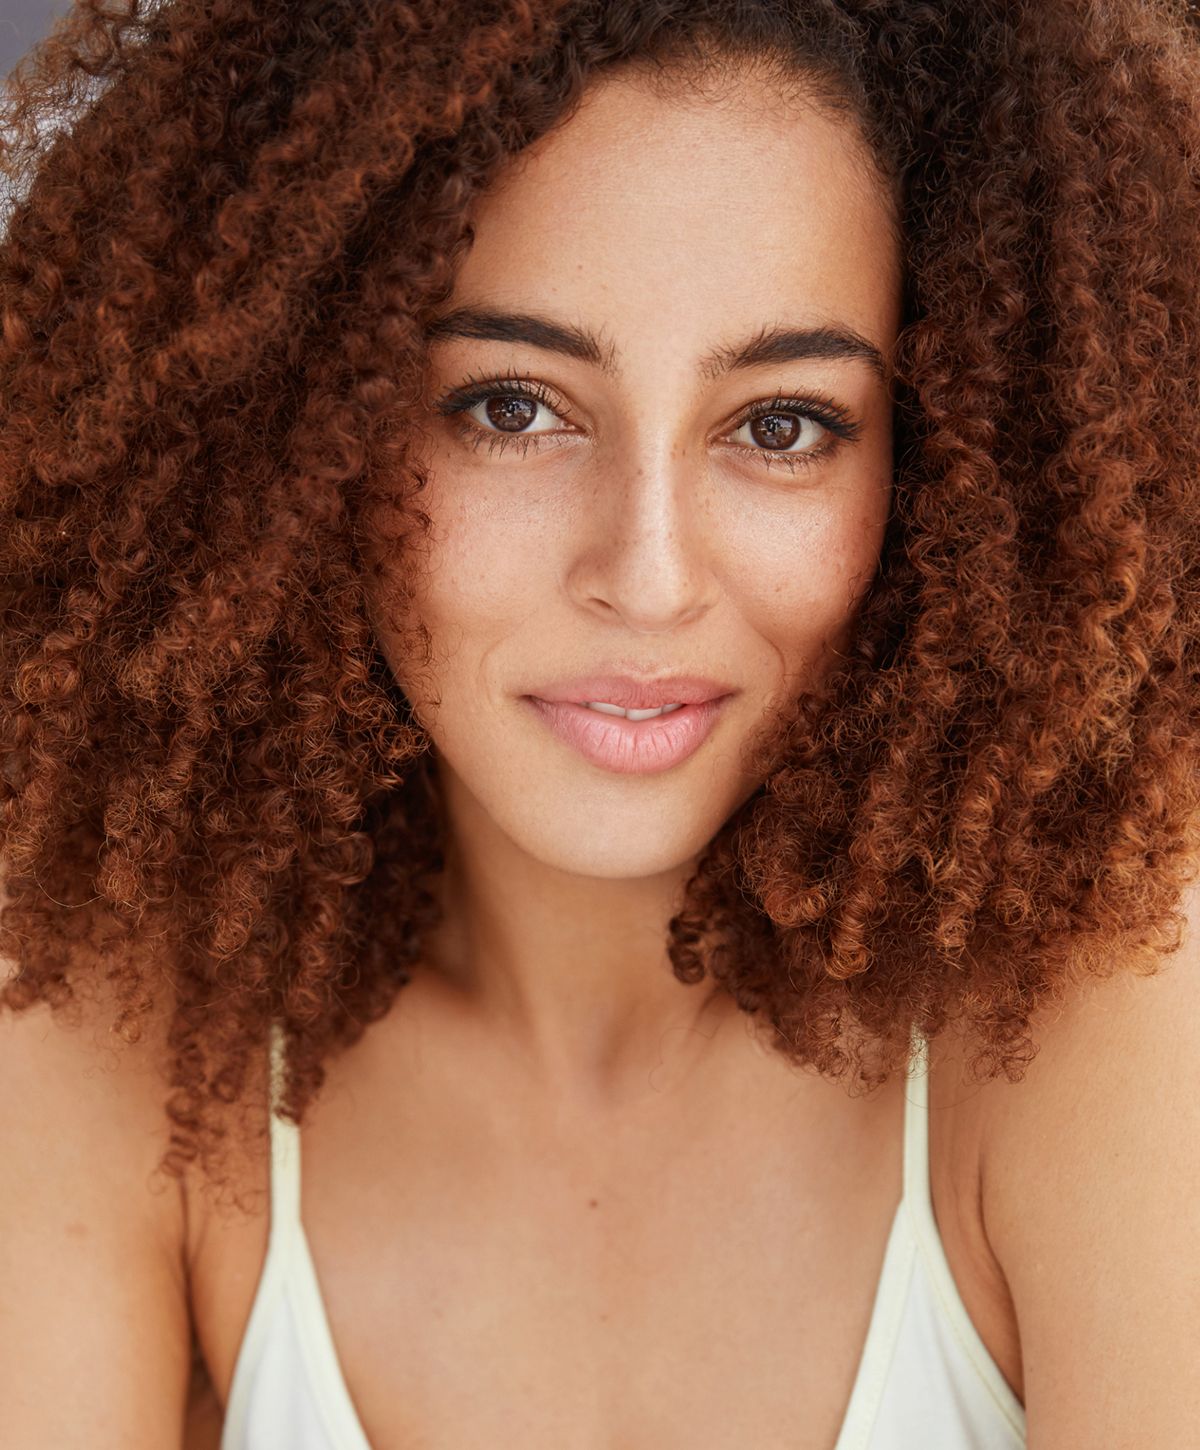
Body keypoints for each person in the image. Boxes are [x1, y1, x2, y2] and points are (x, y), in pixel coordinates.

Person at [2, 1, 1199, 1446]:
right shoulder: (110, 1008)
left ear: (946, 460)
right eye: (513, 407)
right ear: (291, 410)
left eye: (782, 425)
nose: (647, 578)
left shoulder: (1116, 992)